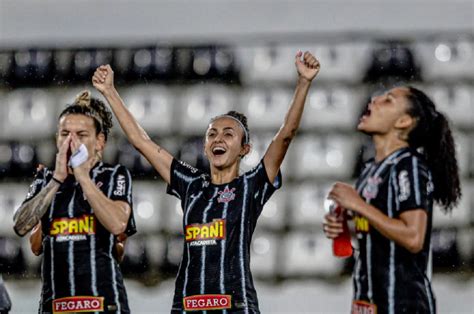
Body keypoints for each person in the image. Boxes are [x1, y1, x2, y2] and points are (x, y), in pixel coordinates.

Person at [92, 51, 320, 313]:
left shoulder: (251, 185)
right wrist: (109, 91)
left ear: (245, 149)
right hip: (188, 306)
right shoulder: (191, 184)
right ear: (205, 146)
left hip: (235, 305)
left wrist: (304, 83)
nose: (218, 138)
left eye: (228, 133)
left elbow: (285, 136)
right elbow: (142, 142)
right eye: (212, 134)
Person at [323, 86, 462, 314]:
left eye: (388, 100)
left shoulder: (408, 166)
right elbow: (373, 232)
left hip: (402, 303)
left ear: (403, 121)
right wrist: (348, 226)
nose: (374, 100)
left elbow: (413, 237)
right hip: (368, 302)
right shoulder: (370, 170)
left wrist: (358, 205)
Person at [13, 91, 136, 313]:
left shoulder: (114, 175)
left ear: (99, 142)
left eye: (81, 134)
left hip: (102, 303)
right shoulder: (44, 180)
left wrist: (82, 176)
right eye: (65, 134)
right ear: (57, 139)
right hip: (56, 304)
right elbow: (22, 228)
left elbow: (118, 225)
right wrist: (57, 179)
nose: (72, 141)